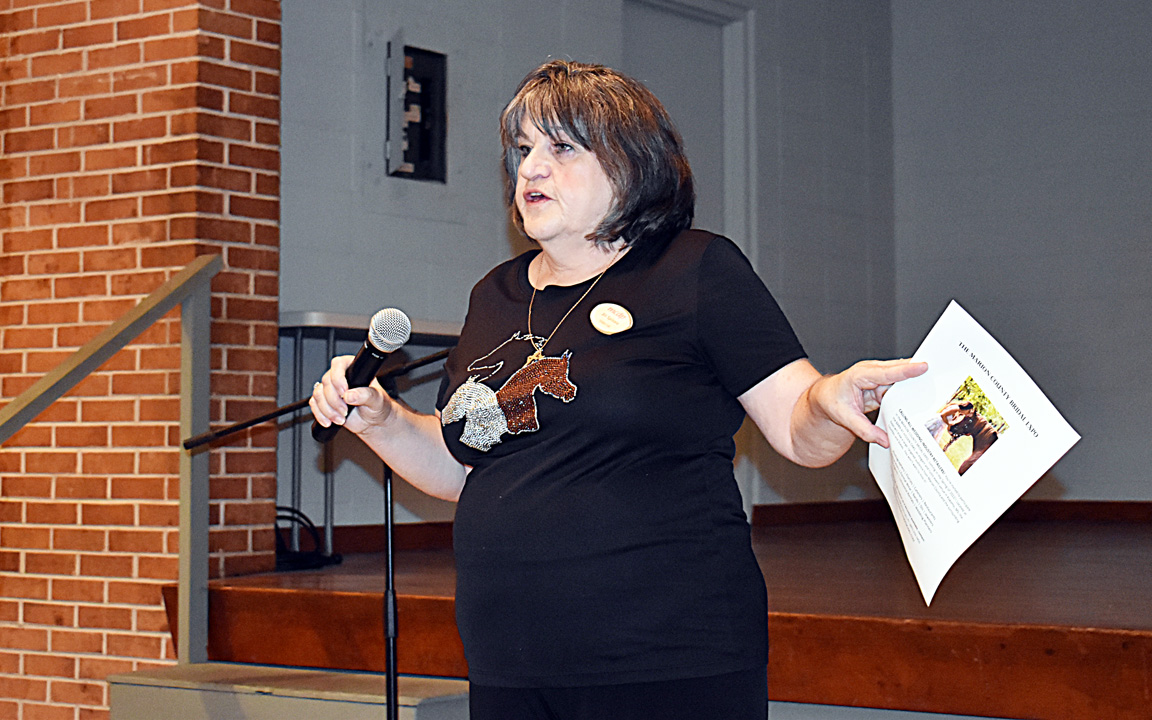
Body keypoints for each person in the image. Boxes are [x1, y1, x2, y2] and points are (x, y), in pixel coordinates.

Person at [310, 60, 927, 720]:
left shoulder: (695, 269)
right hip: (510, 661)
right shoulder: (495, 294)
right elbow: (464, 467)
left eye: (561, 148)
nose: (530, 169)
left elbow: (800, 431)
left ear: (630, 163)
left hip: (665, 660)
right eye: (523, 149)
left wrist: (830, 399)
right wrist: (380, 420)